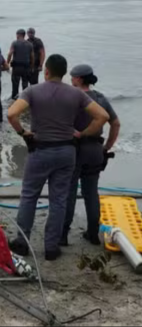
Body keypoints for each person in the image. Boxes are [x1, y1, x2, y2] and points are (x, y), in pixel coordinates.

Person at [7, 55, 109, 260]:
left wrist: (23, 133)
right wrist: (84, 133)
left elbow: (11, 114)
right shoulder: (76, 94)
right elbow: (103, 117)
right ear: (64, 73)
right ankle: (51, 247)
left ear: (46, 71)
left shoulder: (33, 91)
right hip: (66, 152)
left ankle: (22, 243)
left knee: (29, 196)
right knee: (59, 200)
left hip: (40, 150)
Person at [62, 64, 121, 246]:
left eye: (72, 77)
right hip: (95, 150)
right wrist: (106, 147)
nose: (70, 80)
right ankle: (93, 234)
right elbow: (116, 124)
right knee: (91, 193)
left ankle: (63, 235)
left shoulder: (71, 97)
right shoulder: (101, 98)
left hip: (74, 150)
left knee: (68, 193)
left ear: (79, 79)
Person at [7, 29, 34, 99]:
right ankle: (24, 100)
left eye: (16, 35)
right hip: (26, 68)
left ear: (18, 35)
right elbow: (32, 57)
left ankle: (14, 100)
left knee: (15, 86)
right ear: (24, 35)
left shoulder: (14, 43)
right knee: (25, 85)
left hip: (16, 68)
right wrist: (31, 67)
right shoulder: (30, 44)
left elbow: (10, 54)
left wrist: (7, 63)